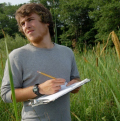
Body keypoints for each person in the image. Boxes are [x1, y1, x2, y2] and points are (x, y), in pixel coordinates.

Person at [1, 3, 81, 121]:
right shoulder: (17, 56)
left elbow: (76, 79)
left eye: (30, 20)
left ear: (46, 21)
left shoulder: (67, 52)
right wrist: (39, 89)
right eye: (22, 23)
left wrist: (75, 85)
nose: (26, 26)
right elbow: (6, 94)